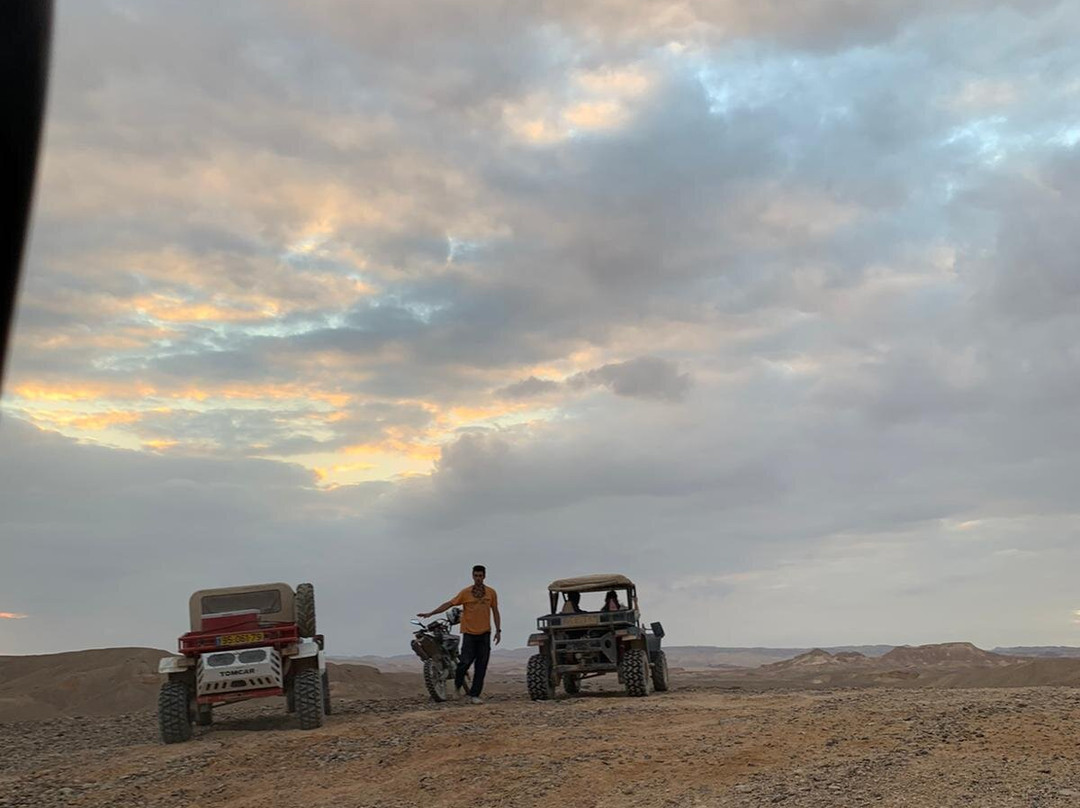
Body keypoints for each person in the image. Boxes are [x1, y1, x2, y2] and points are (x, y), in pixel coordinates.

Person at [418, 565, 501, 704]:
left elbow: (495, 611)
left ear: (484, 576)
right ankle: (457, 686)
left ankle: (474, 694)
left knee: (481, 665)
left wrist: (498, 630)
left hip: (485, 633)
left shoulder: (491, 593)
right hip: (469, 634)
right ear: (473, 576)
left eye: (481, 576)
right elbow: (449, 604)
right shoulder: (465, 593)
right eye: (476, 576)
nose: (478, 578)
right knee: (464, 663)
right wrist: (431, 613)